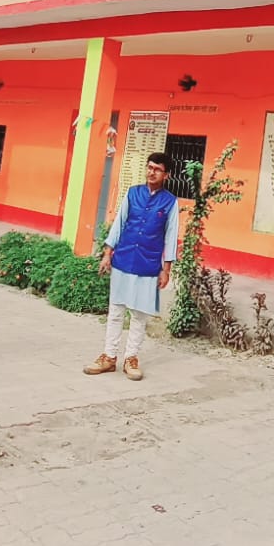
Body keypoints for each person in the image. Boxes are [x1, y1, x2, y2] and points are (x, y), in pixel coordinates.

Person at [84, 152, 179, 381]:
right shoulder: (132, 193)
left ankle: (131, 358)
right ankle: (109, 357)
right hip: (123, 259)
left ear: (166, 175)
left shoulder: (170, 202)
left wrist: (166, 269)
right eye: (149, 167)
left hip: (148, 265)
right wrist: (107, 254)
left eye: (157, 169)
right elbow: (118, 224)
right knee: (116, 311)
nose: (151, 172)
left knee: (139, 314)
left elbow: (171, 236)